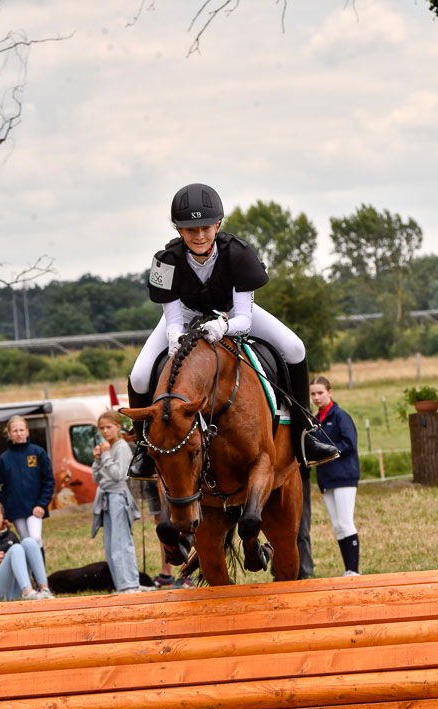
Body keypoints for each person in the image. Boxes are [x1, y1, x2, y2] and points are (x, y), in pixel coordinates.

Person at [127, 182, 338, 479]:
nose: (199, 236)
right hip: (185, 314)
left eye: (205, 228)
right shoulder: (165, 261)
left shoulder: (238, 253)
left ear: (218, 225)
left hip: (231, 312)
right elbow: (172, 317)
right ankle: (142, 449)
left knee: (295, 348)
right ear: (178, 230)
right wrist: (174, 336)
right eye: (190, 230)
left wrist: (223, 325)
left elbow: (245, 319)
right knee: (138, 376)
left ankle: (306, 432)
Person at [91, 410, 151, 594]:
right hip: (106, 497)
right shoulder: (107, 447)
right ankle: (122, 584)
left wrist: (106, 456)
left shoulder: (122, 447)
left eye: (108, 427)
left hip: (118, 497)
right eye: (101, 428)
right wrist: (97, 459)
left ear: (118, 427)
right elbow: (97, 478)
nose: (105, 431)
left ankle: (130, 584)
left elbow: (119, 475)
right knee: (110, 544)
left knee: (121, 542)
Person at [310, 375, 361, 577]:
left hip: (344, 477)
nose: (316, 397)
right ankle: (348, 569)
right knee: (338, 526)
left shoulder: (341, 416)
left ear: (330, 392)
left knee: (346, 522)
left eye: (320, 393)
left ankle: (353, 571)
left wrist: (326, 452)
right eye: (313, 394)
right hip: (326, 478)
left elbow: (350, 444)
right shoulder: (315, 420)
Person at [0, 499, 55, 600]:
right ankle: (28, 592)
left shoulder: (10, 536)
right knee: (16, 548)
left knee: (29, 542)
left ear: (3, 517)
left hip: (15, 590)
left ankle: (44, 590)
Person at [0, 415, 55, 558]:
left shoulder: (38, 452)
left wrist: (42, 504)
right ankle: (32, 577)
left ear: (27, 431)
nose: (19, 434)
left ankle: (41, 576)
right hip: (16, 510)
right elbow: (0, 487)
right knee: (26, 542)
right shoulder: (4, 459)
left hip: (35, 507)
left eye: (22, 430)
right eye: (15, 431)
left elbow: (48, 481)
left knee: (35, 538)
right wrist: (4, 511)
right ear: (9, 434)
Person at [142, 480, 194, 589]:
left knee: (182, 522)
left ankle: (187, 575)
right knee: (161, 523)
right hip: (153, 476)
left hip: (173, 474)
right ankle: (166, 574)